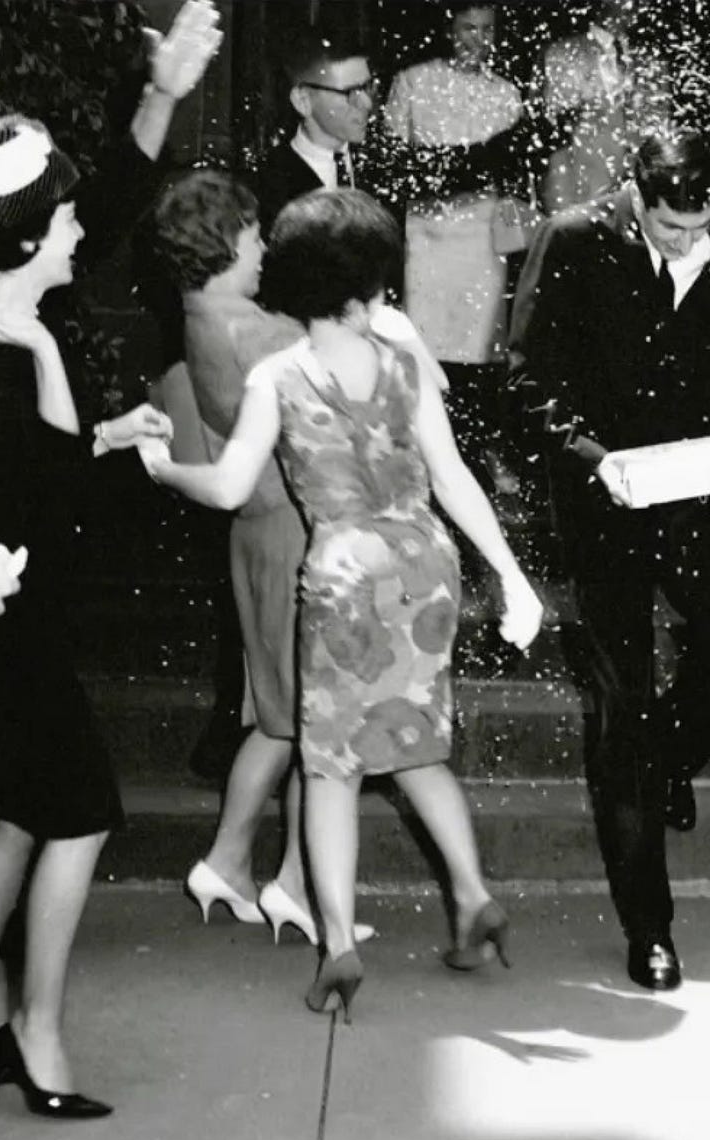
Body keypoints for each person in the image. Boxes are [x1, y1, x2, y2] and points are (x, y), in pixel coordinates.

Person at [139, 189, 545, 1019]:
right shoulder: (404, 366)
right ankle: (473, 896)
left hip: (342, 574)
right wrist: (512, 573)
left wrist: (161, 468)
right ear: (373, 283)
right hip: (425, 564)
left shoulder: (279, 376)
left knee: (330, 769)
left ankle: (338, 948)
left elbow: (228, 487)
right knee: (420, 750)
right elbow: (453, 478)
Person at [0, 4, 220, 1119]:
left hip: (24, 611)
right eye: (61, 218)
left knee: (18, 810)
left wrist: (103, 436)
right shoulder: (4, 343)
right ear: (22, 237)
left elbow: (44, 478)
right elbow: (37, 489)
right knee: (72, 806)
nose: (79, 227)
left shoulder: (18, 313)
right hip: (4, 622)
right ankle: (34, 1030)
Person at [508, 129, 710, 991]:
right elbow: (525, 377)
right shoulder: (572, 238)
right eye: (670, 227)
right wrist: (590, 456)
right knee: (624, 704)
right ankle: (651, 927)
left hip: (698, 488)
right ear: (637, 195)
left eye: (699, 227)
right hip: (604, 497)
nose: (686, 242)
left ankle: (663, 763)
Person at [151, 169, 380, 946]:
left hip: (255, 531)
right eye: (253, 240)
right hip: (294, 533)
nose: (262, 254)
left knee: (277, 719)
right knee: (318, 723)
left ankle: (228, 862)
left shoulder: (201, 316)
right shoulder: (257, 331)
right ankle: (299, 886)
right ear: (220, 244)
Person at [383, 1, 532, 498]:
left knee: (482, 351)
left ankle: (479, 451)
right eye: (469, 28)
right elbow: (395, 163)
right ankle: (424, 455)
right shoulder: (413, 82)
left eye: (487, 30)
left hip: (482, 241)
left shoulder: (506, 92)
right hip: (427, 237)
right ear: (449, 30)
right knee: (426, 349)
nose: (478, 40)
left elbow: (510, 172)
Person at [536, 0, 667, 215]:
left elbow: (659, 130)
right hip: (581, 194)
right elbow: (552, 134)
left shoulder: (652, 61)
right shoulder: (564, 54)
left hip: (641, 198)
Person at [252, 24, 375, 232]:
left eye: (367, 87)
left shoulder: (385, 167)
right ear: (303, 101)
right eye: (350, 92)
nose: (367, 103)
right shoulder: (267, 189)